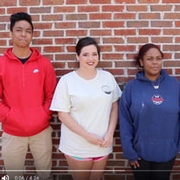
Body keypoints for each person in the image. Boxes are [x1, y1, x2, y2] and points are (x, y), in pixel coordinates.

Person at [50, 36, 122, 180]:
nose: (91, 58)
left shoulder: (107, 77)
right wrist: (88, 137)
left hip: (103, 143)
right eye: (85, 54)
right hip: (78, 145)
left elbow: (114, 106)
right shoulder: (67, 81)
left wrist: (109, 133)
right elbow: (63, 115)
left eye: (94, 54)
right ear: (77, 56)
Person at [0, 12, 57, 180]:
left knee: (44, 175)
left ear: (32, 34)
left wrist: (42, 115)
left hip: (41, 132)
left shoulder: (44, 64)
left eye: (28, 31)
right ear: (10, 33)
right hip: (12, 133)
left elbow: (52, 95)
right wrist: (10, 117)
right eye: (19, 30)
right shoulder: (1, 64)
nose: (23, 34)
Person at [119, 43, 180, 180]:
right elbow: (125, 121)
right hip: (139, 154)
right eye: (150, 58)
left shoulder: (175, 85)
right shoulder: (131, 88)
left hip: (167, 152)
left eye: (158, 58)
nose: (155, 62)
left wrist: (176, 145)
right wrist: (129, 151)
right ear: (141, 61)